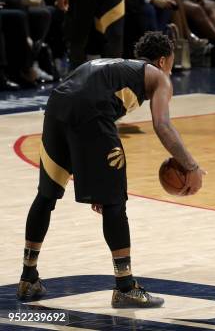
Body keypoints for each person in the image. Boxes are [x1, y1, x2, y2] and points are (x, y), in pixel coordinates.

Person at [16, 32, 205, 308]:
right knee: (115, 202)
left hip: (56, 108)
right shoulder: (158, 76)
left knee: (46, 195)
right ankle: (126, 287)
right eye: (171, 64)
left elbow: (80, 99)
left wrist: (91, 173)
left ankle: (28, 277)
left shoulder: (117, 66)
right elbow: (162, 125)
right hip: (90, 114)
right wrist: (192, 166)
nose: (171, 70)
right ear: (163, 60)